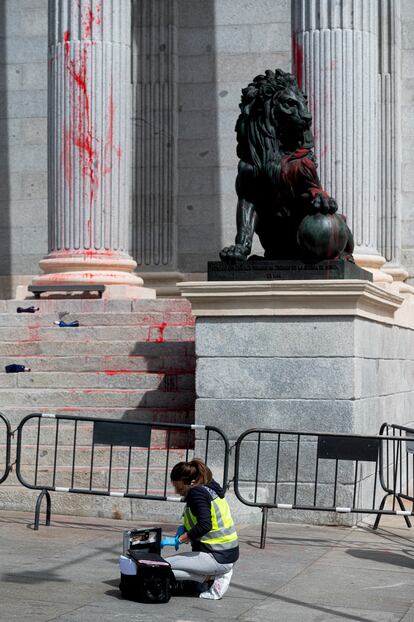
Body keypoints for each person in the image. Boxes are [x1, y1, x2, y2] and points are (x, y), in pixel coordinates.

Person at [167, 458, 239, 600]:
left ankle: (210, 577)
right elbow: (204, 517)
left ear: (190, 482)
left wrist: (179, 540)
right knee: (170, 566)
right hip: (226, 553)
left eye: (179, 487)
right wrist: (185, 527)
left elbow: (205, 525)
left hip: (216, 556)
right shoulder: (209, 487)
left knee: (163, 567)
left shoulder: (197, 493)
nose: (176, 491)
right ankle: (210, 576)